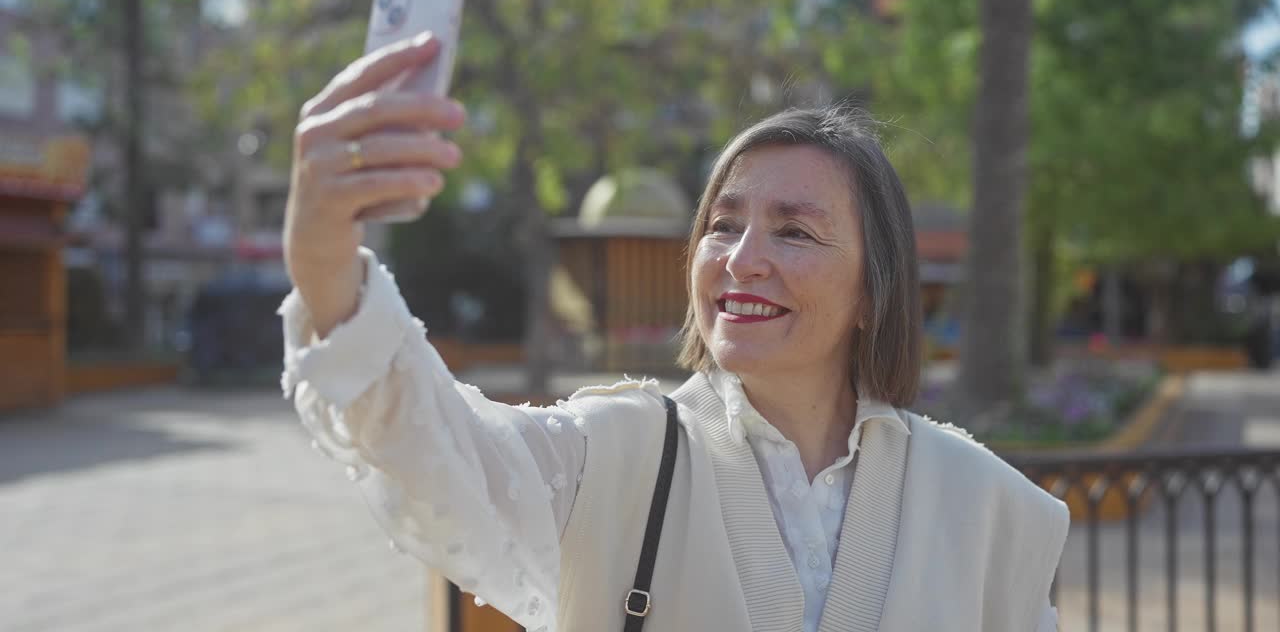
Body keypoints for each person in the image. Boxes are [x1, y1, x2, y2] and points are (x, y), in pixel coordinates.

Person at [280, 34, 1068, 632]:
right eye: (723, 225)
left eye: (794, 232)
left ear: (874, 290)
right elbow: (438, 448)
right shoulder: (616, 452)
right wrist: (323, 256)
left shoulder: (989, 507)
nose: (742, 260)